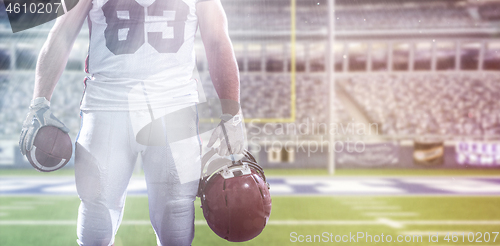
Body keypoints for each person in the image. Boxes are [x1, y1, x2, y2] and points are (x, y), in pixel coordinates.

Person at [18, 0, 246, 245]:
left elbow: (217, 41)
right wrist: (39, 101)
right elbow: (217, 42)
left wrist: (39, 103)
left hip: (162, 108)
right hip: (112, 105)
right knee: (97, 223)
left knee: (174, 225)